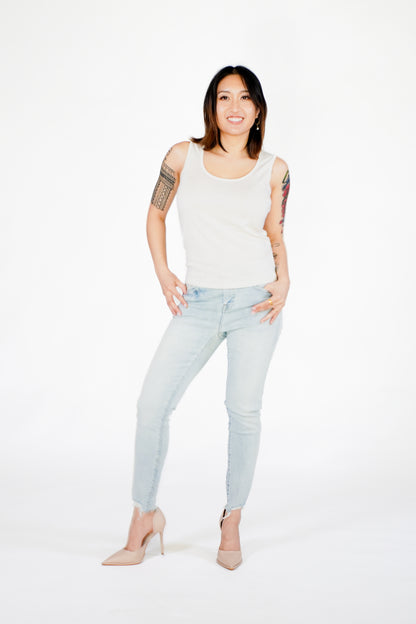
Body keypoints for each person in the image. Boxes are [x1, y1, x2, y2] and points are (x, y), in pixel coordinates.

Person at [102, 65, 291, 570]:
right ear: (212, 107)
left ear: (257, 110)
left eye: (245, 98)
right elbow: (156, 213)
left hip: (256, 303)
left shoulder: (275, 169)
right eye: (224, 97)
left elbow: (275, 232)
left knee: (243, 411)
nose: (234, 107)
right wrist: (163, 271)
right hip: (200, 301)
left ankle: (232, 518)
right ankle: (144, 516)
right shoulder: (182, 156)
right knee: (151, 405)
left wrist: (285, 279)